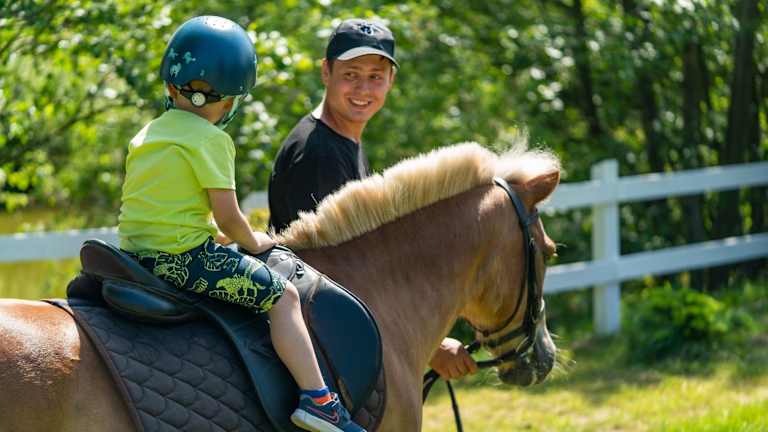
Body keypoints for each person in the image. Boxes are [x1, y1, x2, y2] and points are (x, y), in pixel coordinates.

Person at [118, 16, 365, 432]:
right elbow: (230, 217)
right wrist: (253, 240)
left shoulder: (148, 133)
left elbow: (163, 207)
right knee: (283, 296)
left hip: (134, 254)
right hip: (182, 260)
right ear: (230, 101)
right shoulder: (212, 140)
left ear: (171, 86)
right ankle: (319, 401)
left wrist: (209, 233)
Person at [268, 18, 478, 381]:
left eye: (375, 77)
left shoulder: (343, 141)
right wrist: (430, 345)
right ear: (326, 71)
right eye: (351, 74)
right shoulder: (318, 153)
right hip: (316, 342)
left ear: (391, 81)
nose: (363, 89)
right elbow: (332, 275)